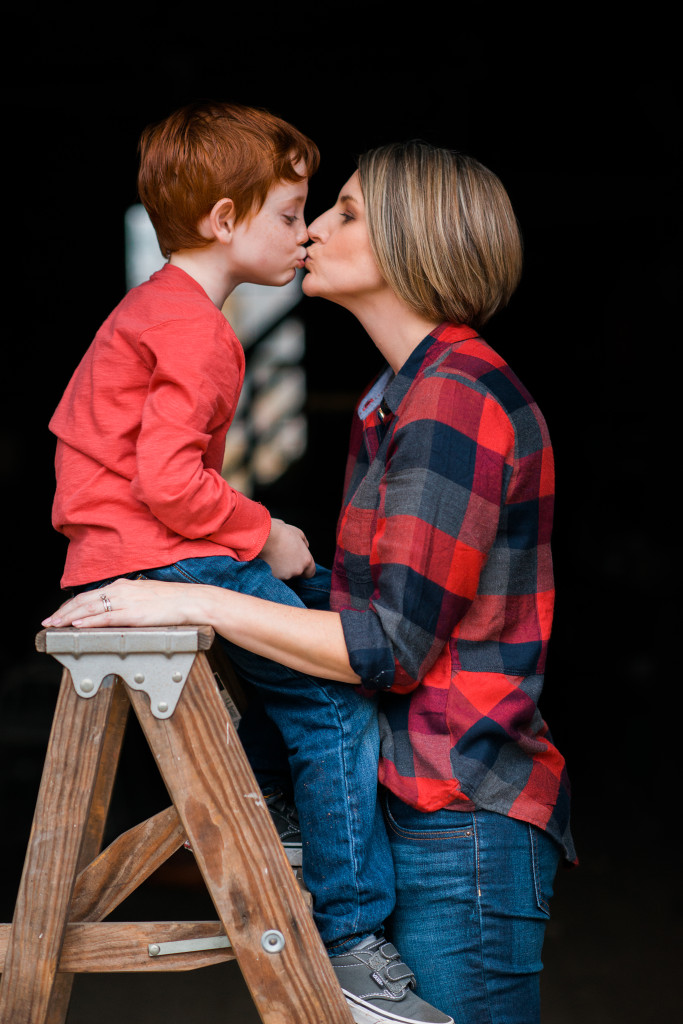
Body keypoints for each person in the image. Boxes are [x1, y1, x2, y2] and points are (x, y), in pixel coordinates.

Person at [45, 139, 576, 1024]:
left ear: (414, 244)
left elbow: (388, 649)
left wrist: (195, 596)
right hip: (399, 800)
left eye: (346, 214)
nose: (315, 228)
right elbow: (368, 607)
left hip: (456, 814)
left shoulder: (456, 397)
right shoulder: (393, 399)